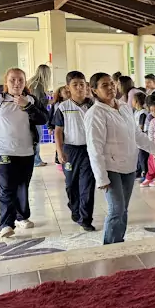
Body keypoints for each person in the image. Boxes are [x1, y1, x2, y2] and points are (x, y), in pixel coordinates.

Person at [85, 72, 155, 244]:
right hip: (110, 167)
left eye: (112, 84)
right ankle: (110, 247)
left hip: (128, 165)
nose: (110, 88)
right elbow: (94, 147)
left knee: (123, 209)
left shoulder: (124, 107)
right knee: (116, 209)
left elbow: (136, 134)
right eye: (104, 85)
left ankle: (118, 242)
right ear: (94, 90)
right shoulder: (95, 113)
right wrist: (101, 177)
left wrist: (154, 149)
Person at [0, 68, 49, 237]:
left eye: (20, 80)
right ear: (6, 82)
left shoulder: (31, 99)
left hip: (26, 151)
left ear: (25, 82)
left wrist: (27, 106)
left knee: (22, 185)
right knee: (7, 186)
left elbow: (43, 119)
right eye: (13, 80)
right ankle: (6, 224)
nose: (17, 83)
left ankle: (21, 216)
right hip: (3, 150)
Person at [52, 71, 96, 232]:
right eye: (75, 85)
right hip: (70, 150)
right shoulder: (63, 107)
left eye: (82, 84)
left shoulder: (93, 105)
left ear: (87, 86)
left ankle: (86, 218)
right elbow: (58, 131)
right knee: (71, 184)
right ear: (68, 87)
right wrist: (60, 151)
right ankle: (74, 207)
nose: (79, 88)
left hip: (89, 150)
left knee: (87, 185)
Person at [27, 63, 52, 167]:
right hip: (35, 115)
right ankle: (36, 161)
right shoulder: (39, 85)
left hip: (29, 113)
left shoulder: (31, 82)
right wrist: (52, 101)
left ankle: (35, 159)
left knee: (33, 137)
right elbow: (40, 102)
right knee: (37, 137)